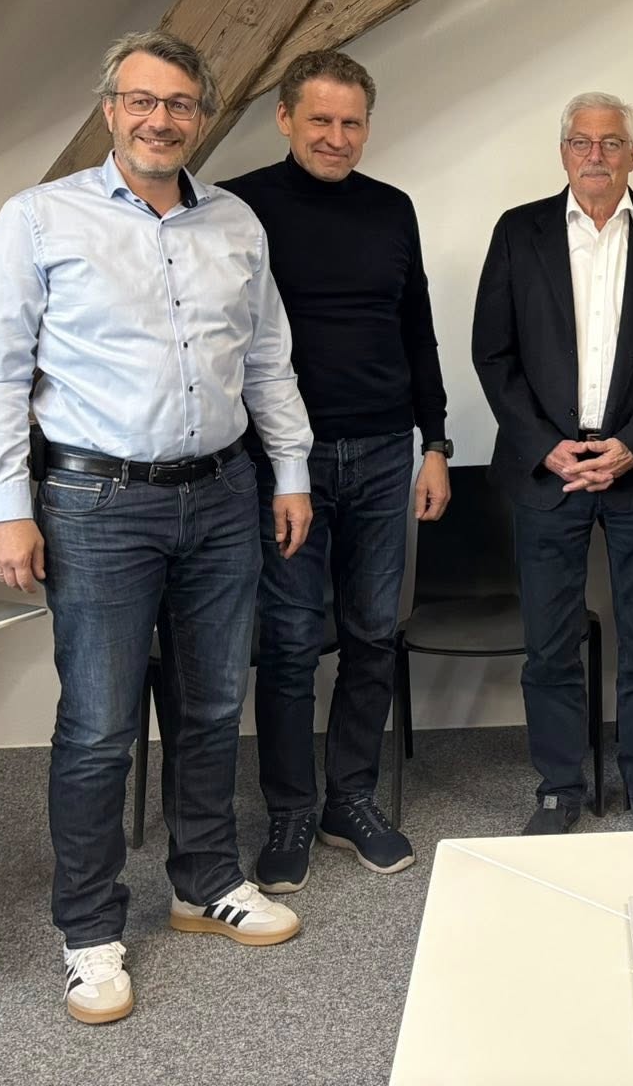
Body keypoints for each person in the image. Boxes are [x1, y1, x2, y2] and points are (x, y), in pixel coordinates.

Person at [0, 31, 314, 1026]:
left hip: (223, 496)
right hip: (96, 506)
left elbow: (267, 359)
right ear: (110, 109)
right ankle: (88, 931)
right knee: (99, 727)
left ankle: (205, 883)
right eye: (141, 101)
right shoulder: (39, 218)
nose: (161, 119)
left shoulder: (235, 222)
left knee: (210, 707)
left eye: (180, 104)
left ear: (202, 115)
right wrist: (9, 508)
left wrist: (289, 471)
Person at [221, 50, 450, 893]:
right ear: (285, 118)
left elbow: (417, 328)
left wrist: (435, 443)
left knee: (371, 634)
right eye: (320, 119)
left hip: (386, 452)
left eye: (352, 122)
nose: (336, 136)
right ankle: (289, 806)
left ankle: (348, 799)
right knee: (288, 642)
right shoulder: (238, 207)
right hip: (286, 462)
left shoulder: (392, 209)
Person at [471, 92, 633, 834]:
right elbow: (493, 353)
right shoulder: (518, 232)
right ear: (564, 152)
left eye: (611, 143)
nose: (596, 156)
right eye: (582, 142)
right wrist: (544, 443)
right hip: (550, 469)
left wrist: (632, 445)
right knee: (549, 646)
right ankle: (558, 787)